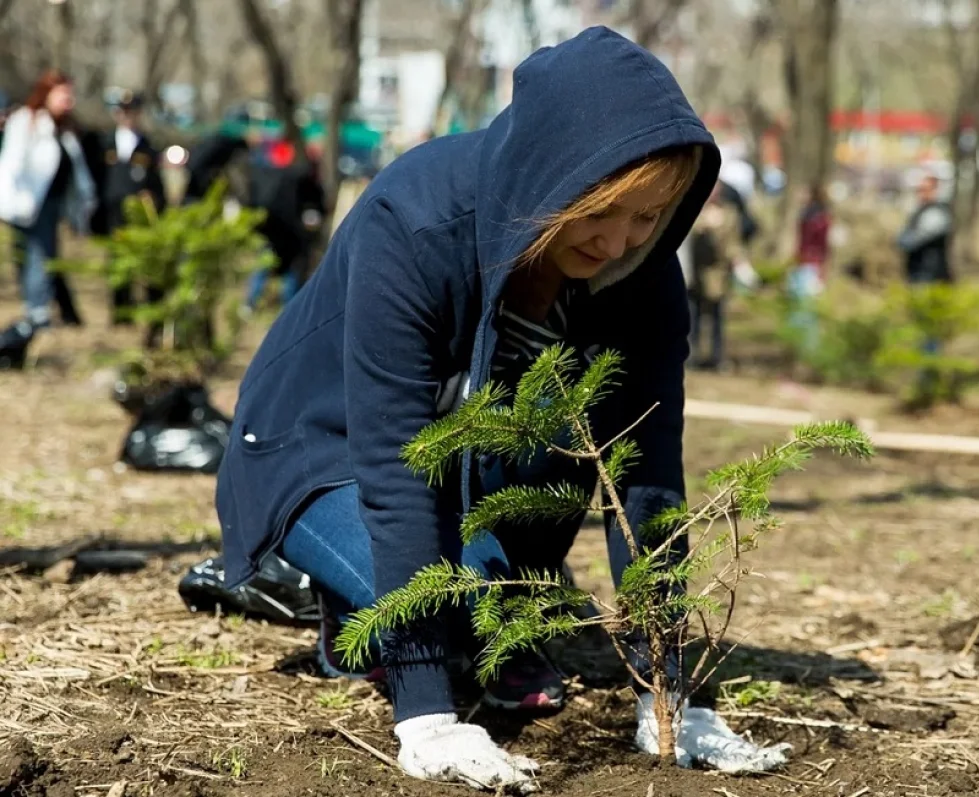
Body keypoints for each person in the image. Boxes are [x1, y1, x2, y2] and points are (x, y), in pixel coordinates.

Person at [214, 27, 791, 791]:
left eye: (649, 218)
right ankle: (338, 607)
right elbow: (392, 458)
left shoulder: (642, 278)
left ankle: (464, 599)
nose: (620, 240)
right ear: (559, 174)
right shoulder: (416, 224)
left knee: (499, 621)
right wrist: (425, 711)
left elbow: (646, 472)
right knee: (457, 618)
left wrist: (670, 685)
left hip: (472, 470)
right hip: (322, 449)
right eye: (603, 212)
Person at [0, 69, 96, 361]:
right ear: (47, 93)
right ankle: (37, 312)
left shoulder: (64, 128)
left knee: (44, 257)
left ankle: (40, 311)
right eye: (64, 94)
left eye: (71, 95)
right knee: (37, 257)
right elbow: (13, 164)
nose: (69, 100)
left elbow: (76, 170)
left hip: (52, 204)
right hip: (29, 203)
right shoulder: (27, 121)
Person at [93, 91, 168, 324]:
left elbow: (157, 182)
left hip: (140, 212)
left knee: (146, 265)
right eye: (122, 111)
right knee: (118, 263)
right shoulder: (104, 143)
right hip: (113, 211)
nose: (126, 116)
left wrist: (155, 200)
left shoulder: (148, 146)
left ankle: (151, 314)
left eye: (131, 111)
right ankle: (121, 314)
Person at [242, 137, 326, 312]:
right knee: (290, 271)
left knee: (264, 264)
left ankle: (250, 304)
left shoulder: (261, 174)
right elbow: (315, 200)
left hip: (268, 230)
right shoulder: (298, 176)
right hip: (289, 233)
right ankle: (290, 308)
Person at [686, 181, 746, 370]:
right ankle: (691, 356)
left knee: (717, 318)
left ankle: (716, 357)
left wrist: (739, 261)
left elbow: (734, 242)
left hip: (718, 273)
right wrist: (704, 223)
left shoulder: (730, 213)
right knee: (692, 317)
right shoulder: (694, 209)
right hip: (695, 273)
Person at [788, 184, 832, 348]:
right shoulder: (807, 215)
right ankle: (797, 345)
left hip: (812, 265)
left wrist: (821, 269)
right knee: (799, 307)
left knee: (807, 308)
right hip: (803, 263)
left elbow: (824, 246)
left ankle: (808, 347)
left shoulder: (819, 218)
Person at [896, 173, 953, 286]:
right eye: (919, 190)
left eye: (925, 189)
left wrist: (904, 239)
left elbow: (912, 241)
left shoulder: (937, 213)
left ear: (936, 190)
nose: (921, 193)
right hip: (918, 272)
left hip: (930, 275)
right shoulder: (921, 211)